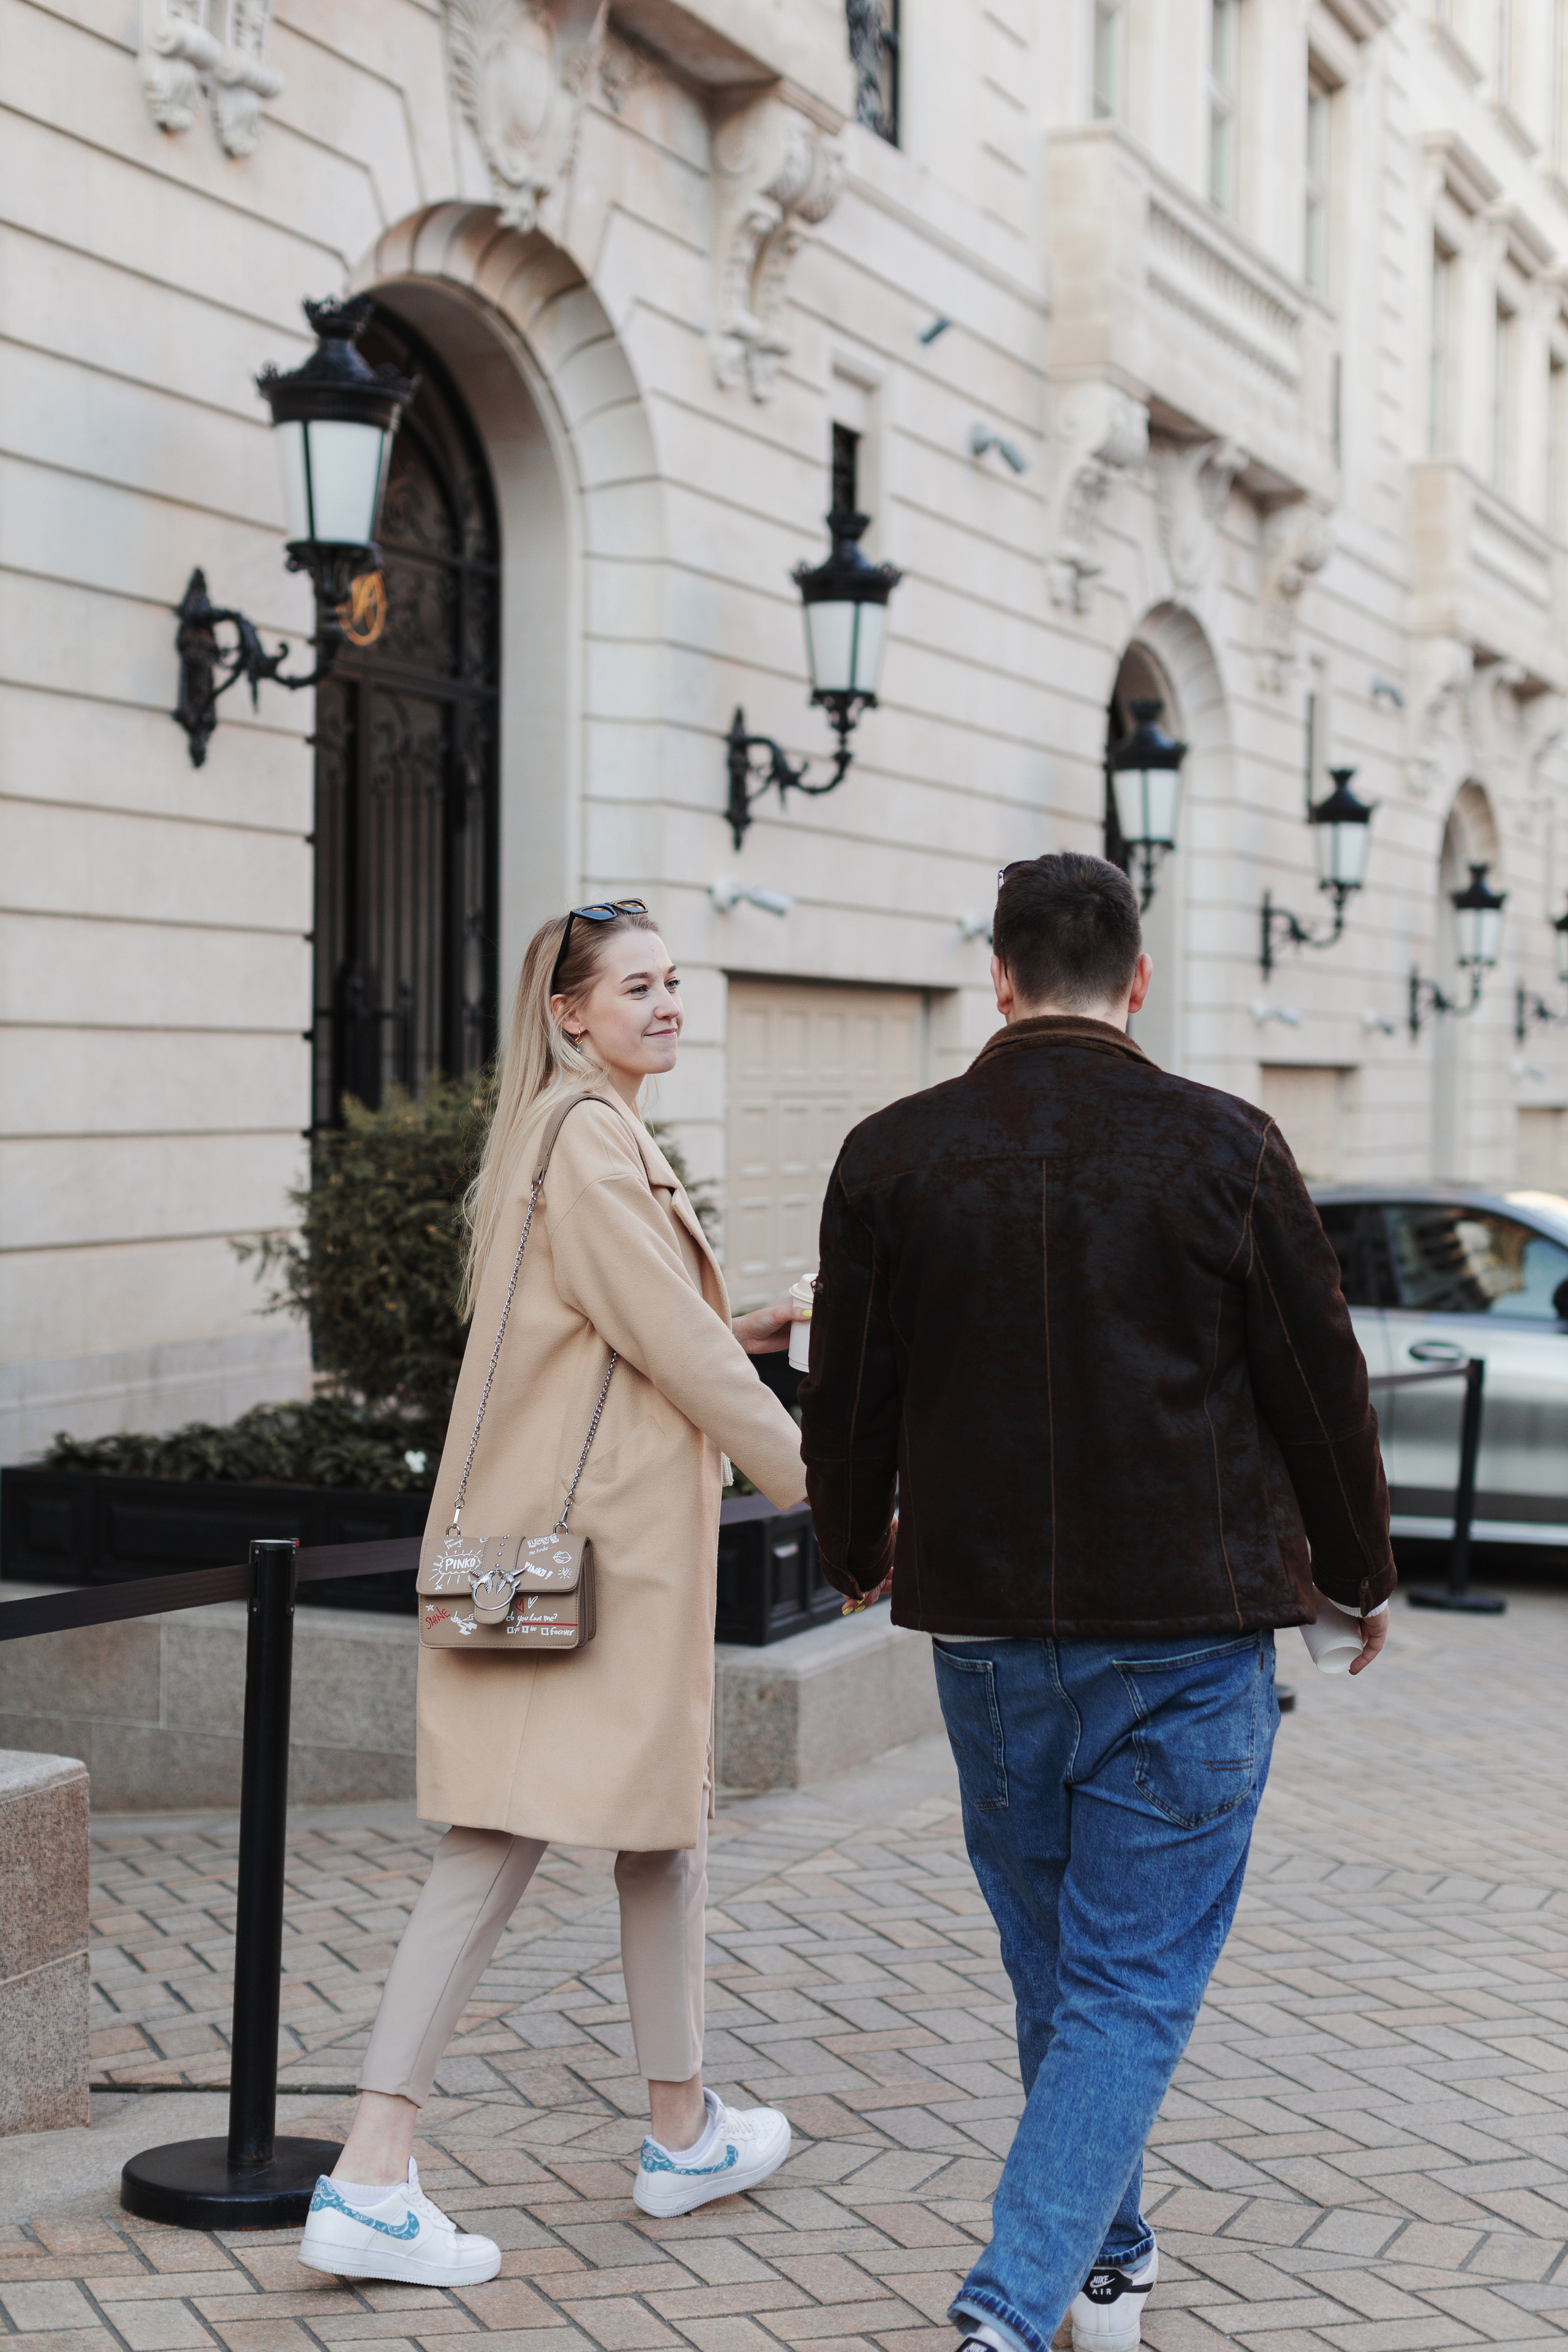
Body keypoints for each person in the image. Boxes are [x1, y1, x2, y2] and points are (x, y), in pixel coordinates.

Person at [799, 852, 1393, 2352]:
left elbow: (847, 1395)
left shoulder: (889, 1155)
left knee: (1063, 1977)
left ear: (996, 976)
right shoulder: (1226, 1144)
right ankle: (1009, 2312)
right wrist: (1357, 1571)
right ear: (1136, 979)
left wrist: (851, 1549)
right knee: (1116, 1992)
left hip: (987, 1635)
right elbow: (1318, 1386)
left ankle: (1107, 2263)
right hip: (1186, 1631)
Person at [298, 900, 809, 2288]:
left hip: (584, 1562)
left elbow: (624, 1334)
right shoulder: (586, 1135)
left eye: (673, 981)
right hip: (590, 1569)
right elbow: (673, 1352)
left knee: (659, 1829)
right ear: (569, 1013)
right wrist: (814, 1475)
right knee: (504, 1839)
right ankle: (372, 2171)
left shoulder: (584, 1129)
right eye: (636, 987)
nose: (667, 1003)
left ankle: (682, 2129)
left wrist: (742, 1325)